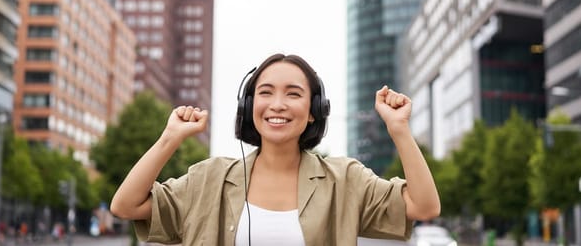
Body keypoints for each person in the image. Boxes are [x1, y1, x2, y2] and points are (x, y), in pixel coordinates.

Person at [111, 53, 441, 245]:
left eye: (293, 94)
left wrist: (399, 130)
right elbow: (126, 206)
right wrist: (170, 138)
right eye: (266, 93)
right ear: (248, 107)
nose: (277, 105)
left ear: (314, 110)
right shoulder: (207, 179)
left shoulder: (345, 179)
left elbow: (423, 207)